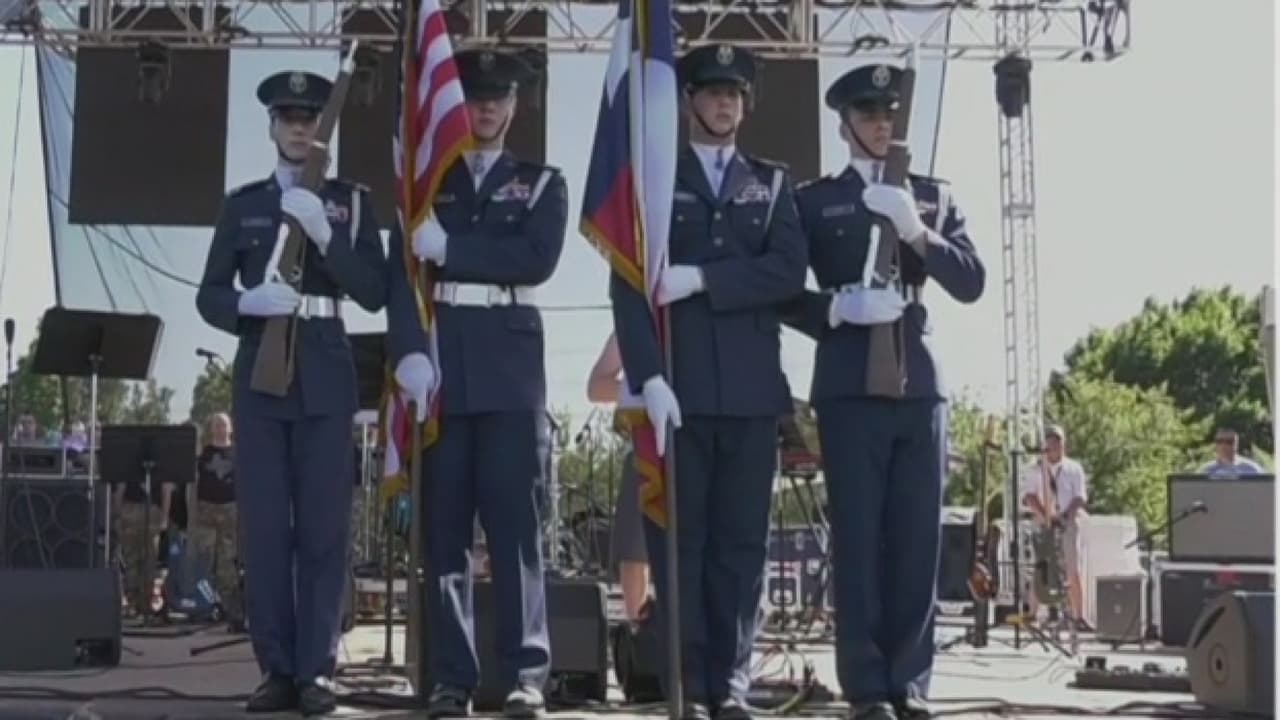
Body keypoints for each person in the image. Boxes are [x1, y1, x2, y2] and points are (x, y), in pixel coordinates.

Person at [782, 63, 985, 720]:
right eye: (867, 113)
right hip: (846, 378)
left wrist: (918, 233)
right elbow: (781, 288)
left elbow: (972, 280)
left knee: (917, 540)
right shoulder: (813, 200)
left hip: (916, 379)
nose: (880, 122)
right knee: (859, 538)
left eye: (887, 112)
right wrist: (834, 313)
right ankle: (867, 685)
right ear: (842, 124)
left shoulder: (929, 195)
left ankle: (911, 682)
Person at [610, 43, 805, 720]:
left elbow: (787, 271)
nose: (725, 102)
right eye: (713, 91)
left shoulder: (773, 184)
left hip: (752, 395)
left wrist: (706, 279)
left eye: (735, 93)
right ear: (688, 99)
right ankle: (687, 683)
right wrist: (648, 377)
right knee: (681, 546)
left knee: (742, 548)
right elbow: (627, 285)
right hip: (682, 391)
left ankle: (732, 685)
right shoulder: (655, 184)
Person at [196, 69, 386, 716]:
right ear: (272, 126)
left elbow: (375, 290)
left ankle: (318, 670)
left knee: (326, 532)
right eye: (289, 118)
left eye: (310, 118)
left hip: (328, 373)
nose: (300, 127)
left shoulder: (351, 202)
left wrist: (328, 236)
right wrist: (248, 302)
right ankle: (276, 667)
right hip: (261, 375)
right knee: (268, 531)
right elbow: (209, 294)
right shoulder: (243, 204)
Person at [385, 48, 567, 719]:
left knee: (517, 533)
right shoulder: (429, 183)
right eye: (476, 97)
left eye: (499, 97)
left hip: (512, 377)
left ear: (515, 106)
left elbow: (537, 258)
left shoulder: (543, 182)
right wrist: (408, 351)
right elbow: (400, 273)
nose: (487, 107)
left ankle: (526, 675)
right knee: (445, 538)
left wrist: (454, 251)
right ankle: (451, 679)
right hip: (442, 372)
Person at [585, 332, 650, 623]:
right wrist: (643, 387)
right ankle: (637, 633)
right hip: (645, 449)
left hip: (699, 442)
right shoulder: (635, 319)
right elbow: (596, 386)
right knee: (634, 552)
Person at [1019, 424, 1089, 629]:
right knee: (1041, 567)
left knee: (1071, 567)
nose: (1053, 445)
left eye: (1057, 441)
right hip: (1043, 522)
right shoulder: (1036, 468)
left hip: (1067, 522)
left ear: (1063, 444)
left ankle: (1079, 616)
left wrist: (1066, 515)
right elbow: (1029, 496)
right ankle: (1032, 613)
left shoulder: (1074, 469)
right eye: (1049, 441)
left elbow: (1080, 497)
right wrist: (1045, 515)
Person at [191, 412, 241, 625]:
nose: (220, 428)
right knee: (204, 561)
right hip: (206, 513)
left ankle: (231, 610)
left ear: (230, 428)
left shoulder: (239, 453)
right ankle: (204, 607)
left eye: (224, 424)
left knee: (227, 564)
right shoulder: (202, 455)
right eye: (216, 424)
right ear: (211, 429)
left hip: (230, 513)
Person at [1200, 427, 1265, 477]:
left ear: (1236, 444)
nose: (1224, 445)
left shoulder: (1252, 469)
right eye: (1220, 441)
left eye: (1229, 441)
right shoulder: (1206, 470)